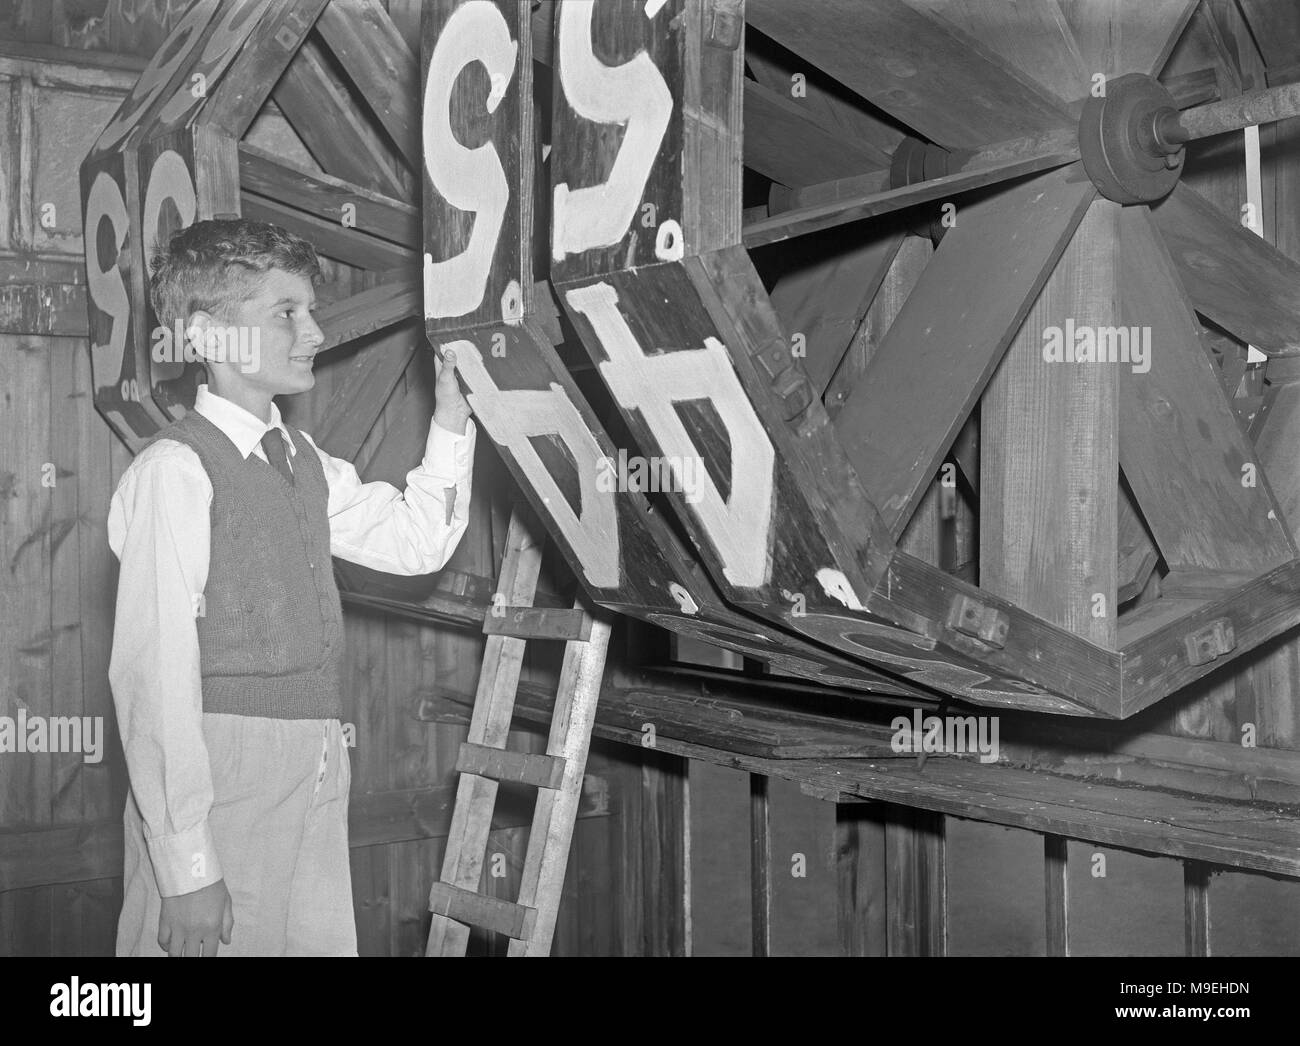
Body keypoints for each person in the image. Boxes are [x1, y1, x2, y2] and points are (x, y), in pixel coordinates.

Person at [107, 218, 475, 956]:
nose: (313, 331)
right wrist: (187, 869)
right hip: (218, 771)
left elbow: (415, 542)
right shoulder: (173, 472)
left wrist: (452, 420)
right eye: (287, 313)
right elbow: (152, 677)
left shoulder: (301, 457)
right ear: (211, 337)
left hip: (316, 762)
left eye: (310, 310)